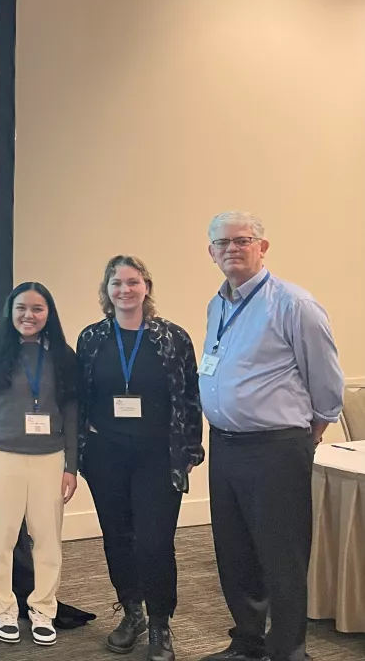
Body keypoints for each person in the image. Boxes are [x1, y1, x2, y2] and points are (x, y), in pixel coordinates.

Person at [198, 211, 343, 661]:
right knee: (235, 552)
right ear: (211, 253)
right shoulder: (217, 304)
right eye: (222, 243)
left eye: (242, 240)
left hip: (276, 448)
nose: (231, 249)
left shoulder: (293, 303)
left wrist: (310, 431)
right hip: (225, 444)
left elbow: (326, 381)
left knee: (282, 555)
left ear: (263, 247)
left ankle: (288, 651)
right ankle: (247, 642)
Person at [76, 256, 204, 661]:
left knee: (154, 542)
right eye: (117, 283)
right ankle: (132, 612)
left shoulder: (172, 337)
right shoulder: (92, 337)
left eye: (133, 282)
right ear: (107, 289)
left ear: (146, 286)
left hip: (158, 455)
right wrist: (82, 446)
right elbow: (81, 396)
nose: (124, 290)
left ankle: (160, 623)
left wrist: (190, 450)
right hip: (106, 454)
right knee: (118, 537)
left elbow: (190, 397)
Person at [0, 282, 79, 647]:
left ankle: (43, 607)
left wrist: (71, 466)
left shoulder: (63, 355)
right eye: (21, 308)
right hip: (1, 458)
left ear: (49, 314)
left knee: (47, 539)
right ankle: (4, 607)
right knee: (0, 538)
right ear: (9, 311)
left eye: (37, 308)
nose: (28, 315)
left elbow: (73, 412)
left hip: (49, 459)